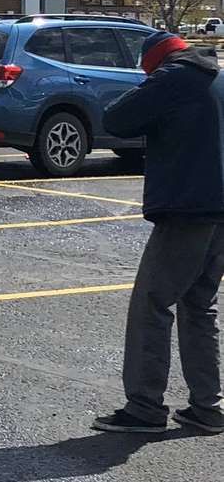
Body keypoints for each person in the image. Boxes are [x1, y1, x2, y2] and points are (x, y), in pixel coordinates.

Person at [92, 31, 224, 435]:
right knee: (199, 305)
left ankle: (145, 406)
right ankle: (208, 406)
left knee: (152, 303)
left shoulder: (172, 78)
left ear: (154, 62)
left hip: (186, 208)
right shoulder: (217, 77)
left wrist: (150, 88)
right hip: (220, 209)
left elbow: (116, 118)